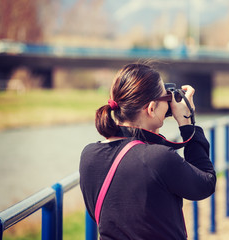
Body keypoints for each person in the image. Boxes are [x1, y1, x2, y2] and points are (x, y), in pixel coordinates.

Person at [79, 62, 216, 240]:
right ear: (151, 108)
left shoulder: (89, 155)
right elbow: (205, 183)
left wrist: (154, 130)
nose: (170, 103)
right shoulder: (158, 158)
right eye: (166, 98)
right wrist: (187, 123)